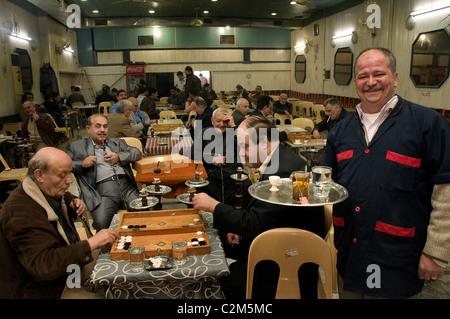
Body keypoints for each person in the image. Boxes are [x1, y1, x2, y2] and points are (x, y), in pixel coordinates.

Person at [322, 47, 450, 299]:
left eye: (378, 73)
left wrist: (436, 252)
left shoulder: (428, 124)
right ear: (356, 81)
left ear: (395, 77)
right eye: (362, 75)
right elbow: (329, 184)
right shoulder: (341, 130)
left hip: (398, 258)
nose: (370, 82)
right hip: (350, 252)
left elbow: (445, 192)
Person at [192, 116, 324, 299]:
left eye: (245, 146)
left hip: (286, 261)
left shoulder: (283, 172)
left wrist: (214, 206)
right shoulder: (280, 159)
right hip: (279, 244)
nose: (241, 153)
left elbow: (256, 224)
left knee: (215, 279)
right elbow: (265, 215)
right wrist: (234, 227)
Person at [0, 147, 119, 298]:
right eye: (62, 175)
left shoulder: (44, 188)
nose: (69, 180)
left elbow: (54, 205)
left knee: (115, 255)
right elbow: (44, 265)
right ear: (39, 175)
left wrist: (71, 202)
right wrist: (91, 243)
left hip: (68, 272)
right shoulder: (20, 212)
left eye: (69, 173)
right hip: (46, 289)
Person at [66, 114, 142, 231]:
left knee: (148, 210)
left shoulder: (117, 143)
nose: (102, 130)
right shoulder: (77, 146)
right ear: (88, 129)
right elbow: (63, 165)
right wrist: (82, 163)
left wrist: (119, 156)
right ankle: (107, 248)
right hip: (102, 192)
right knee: (101, 222)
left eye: (105, 126)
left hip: (127, 188)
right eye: (98, 126)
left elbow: (136, 152)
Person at [189, 107, 240, 206]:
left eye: (225, 121)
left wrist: (233, 125)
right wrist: (210, 159)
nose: (221, 124)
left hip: (231, 176)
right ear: (212, 121)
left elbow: (246, 148)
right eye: (218, 121)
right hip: (210, 175)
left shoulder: (234, 133)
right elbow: (192, 154)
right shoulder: (204, 132)